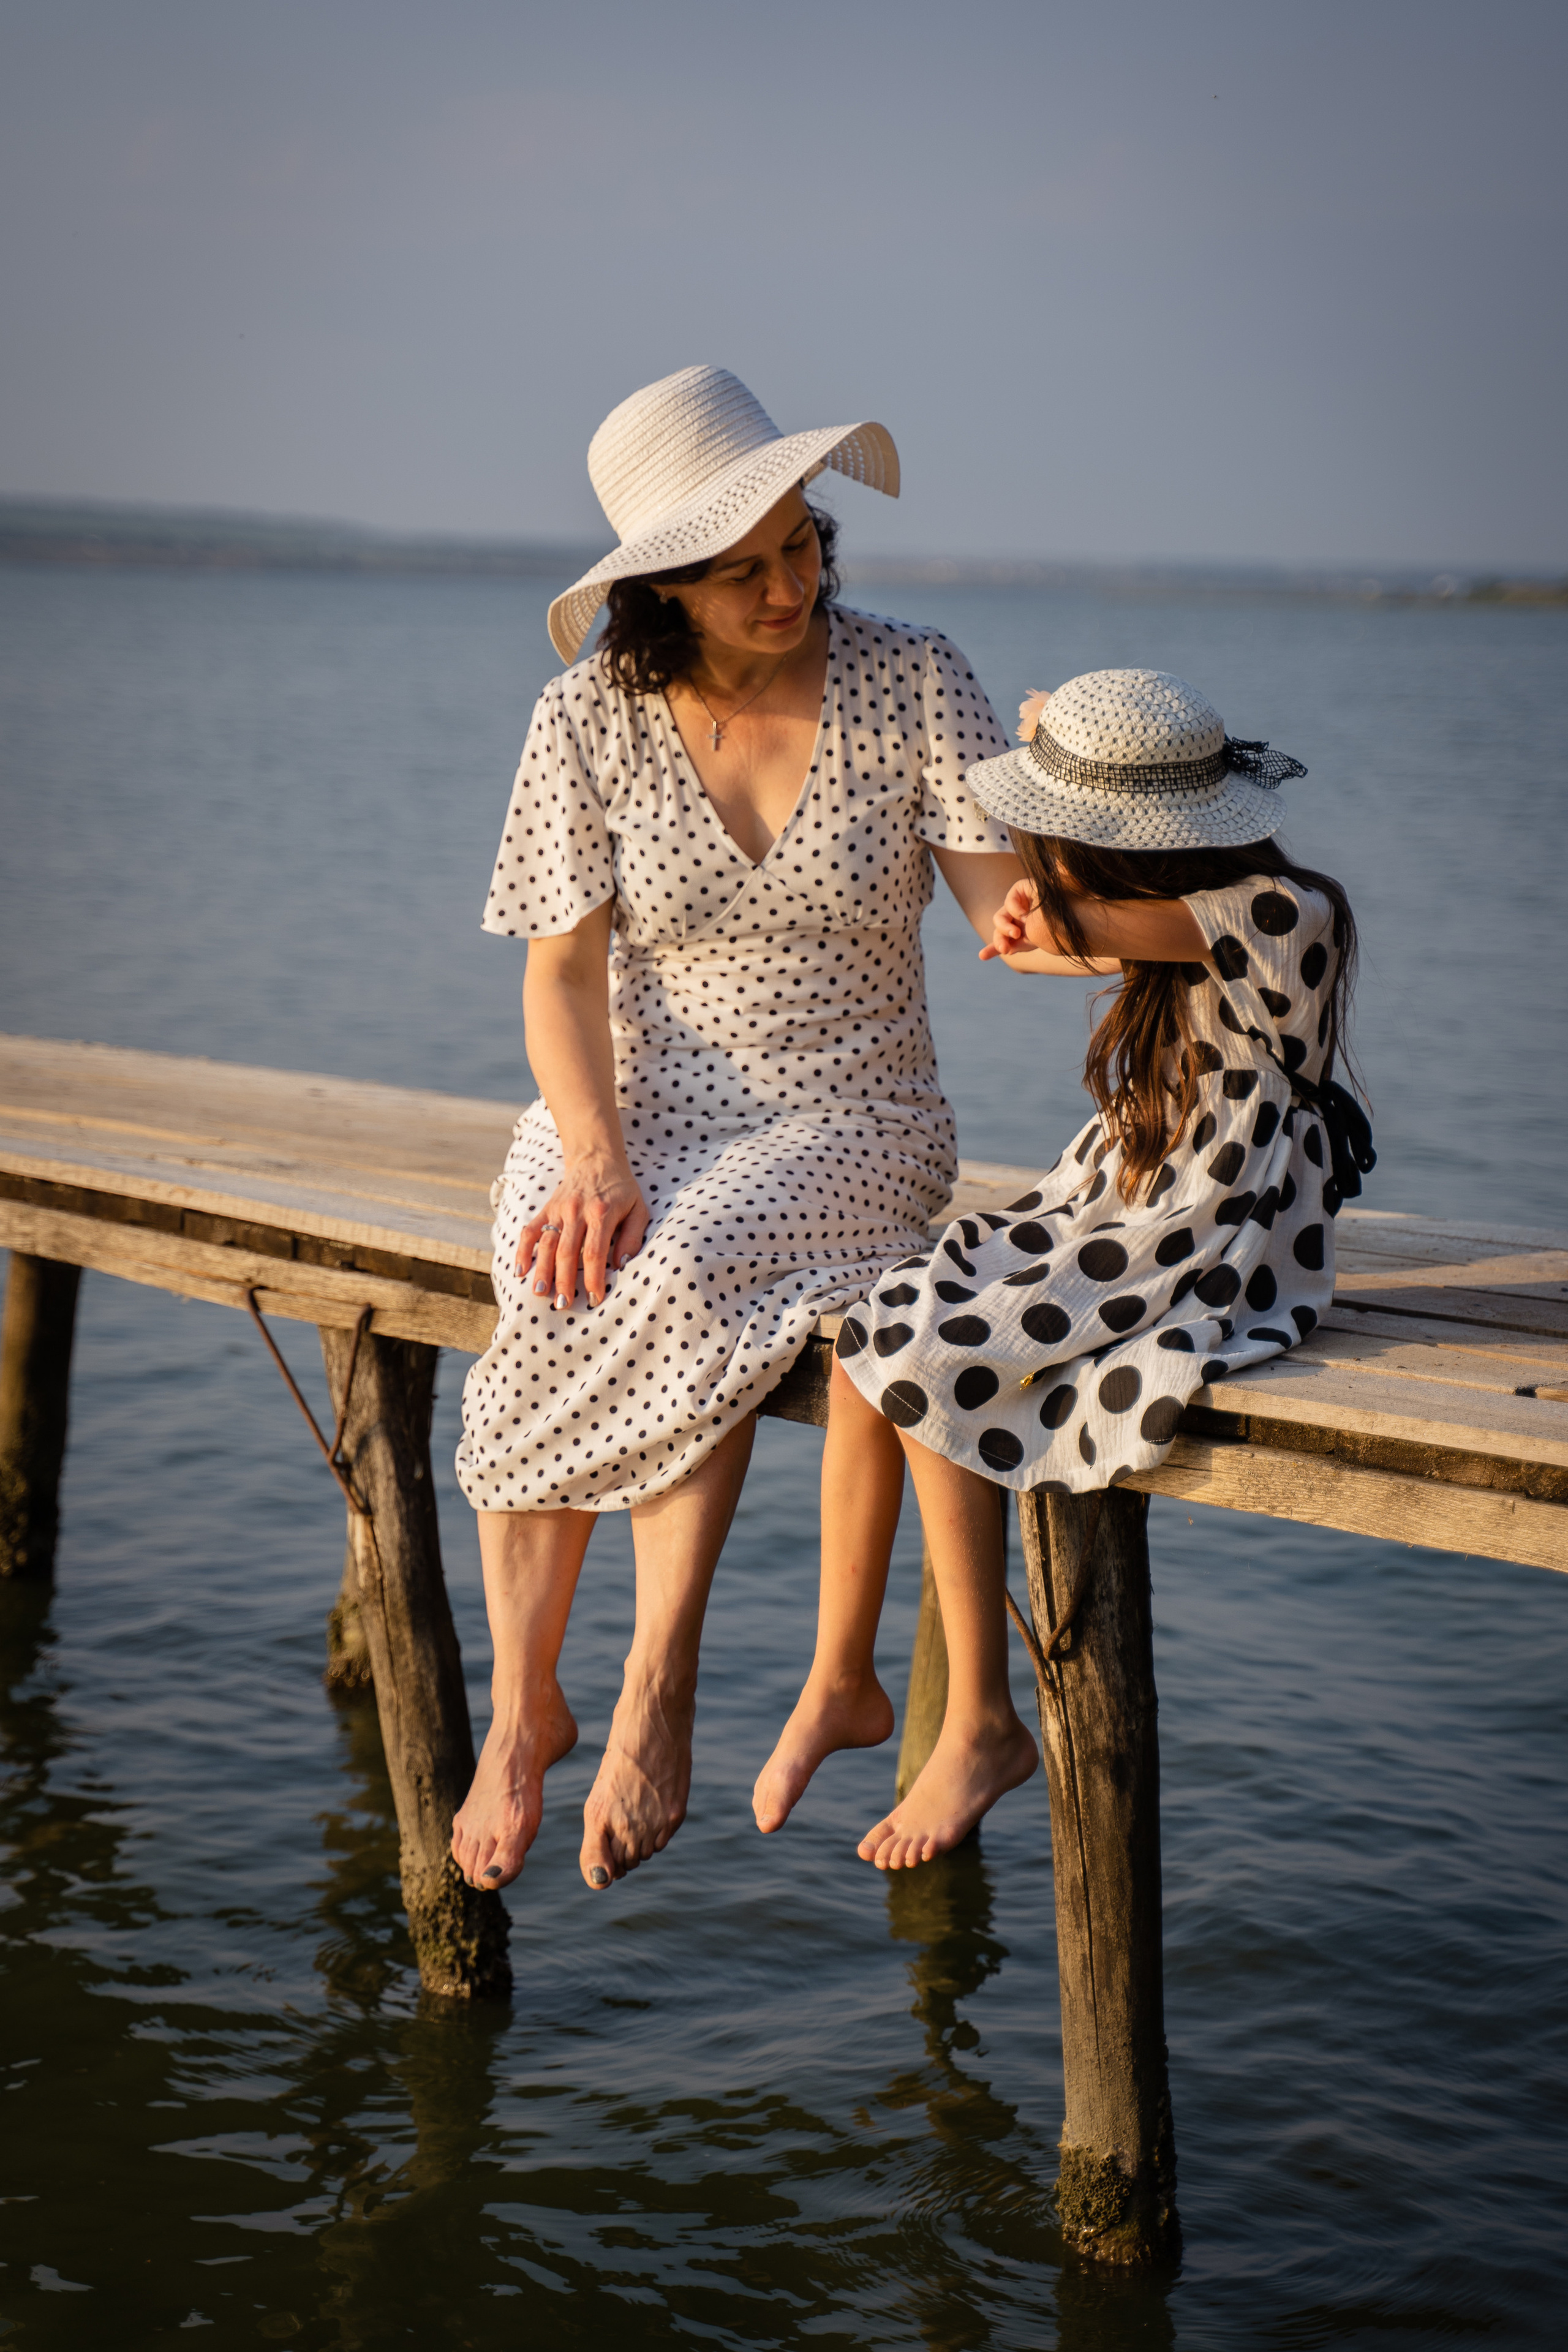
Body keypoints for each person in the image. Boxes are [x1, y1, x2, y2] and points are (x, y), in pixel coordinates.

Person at [450, 364, 1030, 1894]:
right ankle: (523, 1712)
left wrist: (1082, 899)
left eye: (801, 544)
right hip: (629, 1106)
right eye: (742, 568)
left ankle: (657, 1689)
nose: (788, 585)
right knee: (552, 1273)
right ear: (660, 587)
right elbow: (559, 977)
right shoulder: (582, 718)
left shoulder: (915, 678)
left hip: (851, 1118)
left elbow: (1008, 912)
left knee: (688, 1260)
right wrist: (591, 1154)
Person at [754, 666, 1367, 1869]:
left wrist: (1045, 837)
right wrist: (1049, 801)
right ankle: (839, 1675)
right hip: (1130, 1184)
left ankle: (981, 1721)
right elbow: (1045, 943)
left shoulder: (1285, 908)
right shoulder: (1166, 904)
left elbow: (1075, 934)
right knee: (876, 1329)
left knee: (935, 1356)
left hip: (1217, 1219)